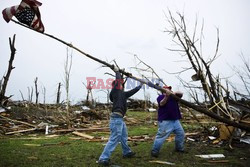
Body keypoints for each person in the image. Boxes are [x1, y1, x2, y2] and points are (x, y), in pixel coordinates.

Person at [98, 66, 143, 166]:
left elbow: (133, 91)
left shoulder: (122, 94)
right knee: (114, 138)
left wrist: (140, 85)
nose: (122, 85)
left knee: (123, 137)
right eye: (121, 84)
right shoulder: (116, 91)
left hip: (120, 119)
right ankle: (103, 158)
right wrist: (117, 72)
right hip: (116, 119)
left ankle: (126, 152)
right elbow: (118, 81)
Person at [151, 85, 185, 157]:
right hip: (165, 121)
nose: (168, 90)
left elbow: (181, 93)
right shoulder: (160, 97)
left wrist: (173, 93)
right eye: (166, 89)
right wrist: (166, 96)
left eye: (169, 89)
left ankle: (179, 148)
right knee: (161, 136)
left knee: (181, 134)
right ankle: (155, 151)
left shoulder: (174, 97)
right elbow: (161, 104)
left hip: (175, 120)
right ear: (163, 90)